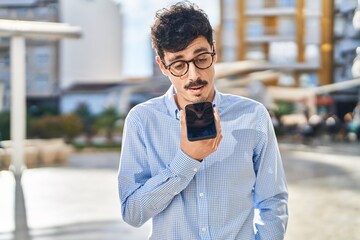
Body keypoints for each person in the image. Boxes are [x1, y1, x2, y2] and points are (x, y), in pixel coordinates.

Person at [118, 2, 288, 239]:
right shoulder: (142, 121)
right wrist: (187, 159)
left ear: (214, 52)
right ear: (162, 66)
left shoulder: (253, 116)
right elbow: (132, 213)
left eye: (201, 58)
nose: (194, 75)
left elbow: (273, 199)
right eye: (178, 65)